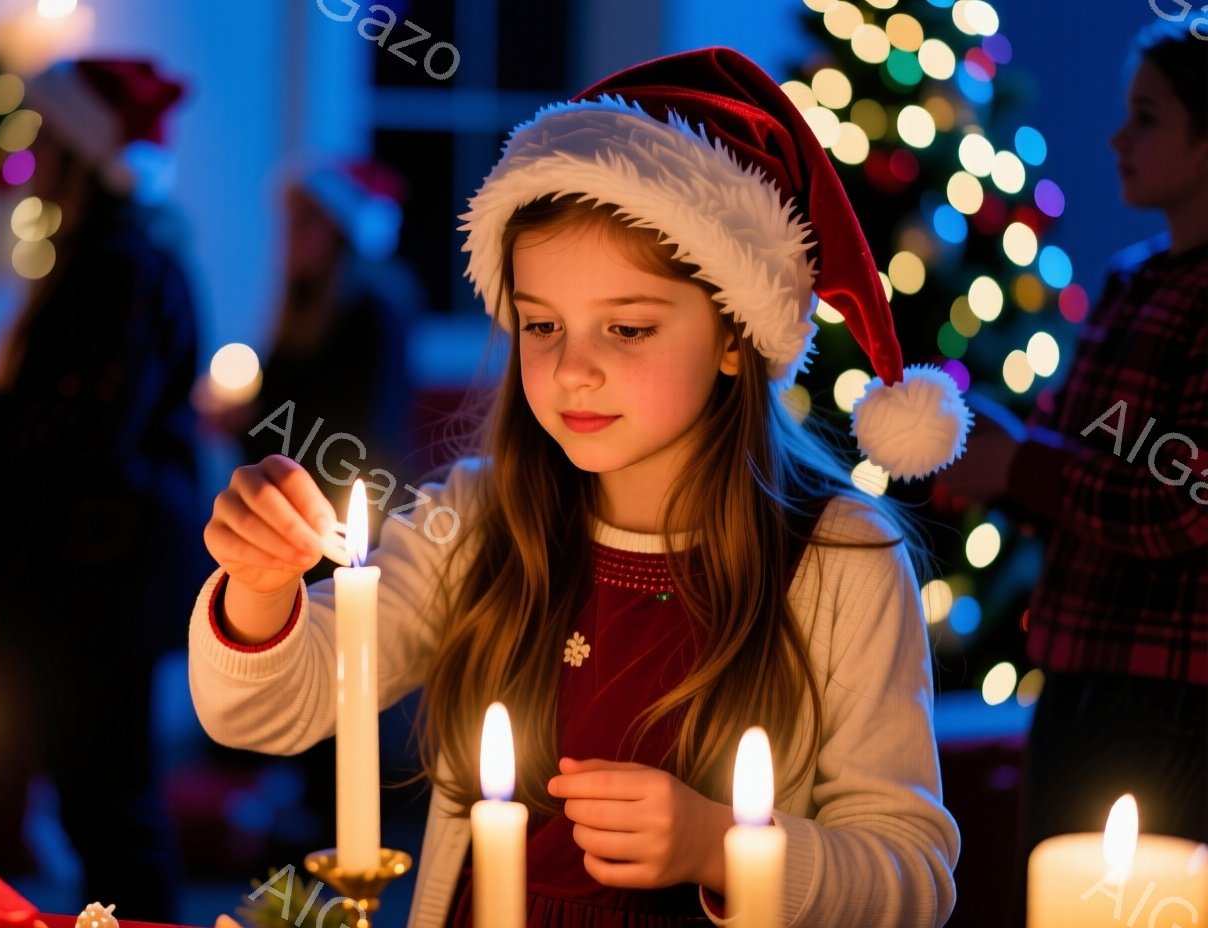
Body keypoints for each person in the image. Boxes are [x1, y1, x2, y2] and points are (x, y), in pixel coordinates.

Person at [188, 48, 966, 928]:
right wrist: (258, 587)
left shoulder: (841, 561)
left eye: (627, 328)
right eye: (542, 325)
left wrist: (721, 844)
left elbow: (913, 874)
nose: (572, 371)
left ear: (734, 337)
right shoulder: (475, 522)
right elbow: (266, 709)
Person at [0, 59, 202, 918]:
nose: (31, 160)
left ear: (85, 154)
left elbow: (78, 433)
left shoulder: (121, 266)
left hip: (102, 575)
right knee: (95, 798)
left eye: (45, 142)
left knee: (112, 801)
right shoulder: (113, 258)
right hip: (93, 571)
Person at [940, 15, 1208, 904]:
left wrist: (1021, 468)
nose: (1117, 138)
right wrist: (988, 462)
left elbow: (1183, 502)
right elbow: (1068, 460)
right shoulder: (1131, 281)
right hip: (1077, 676)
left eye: (1147, 117)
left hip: (1172, 701)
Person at [231, 159, 421, 587]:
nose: (289, 237)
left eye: (305, 223)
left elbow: (363, 438)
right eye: (288, 223)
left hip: (344, 522)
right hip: (293, 518)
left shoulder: (373, 315)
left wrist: (252, 422)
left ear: (339, 234)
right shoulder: (299, 311)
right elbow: (280, 407)